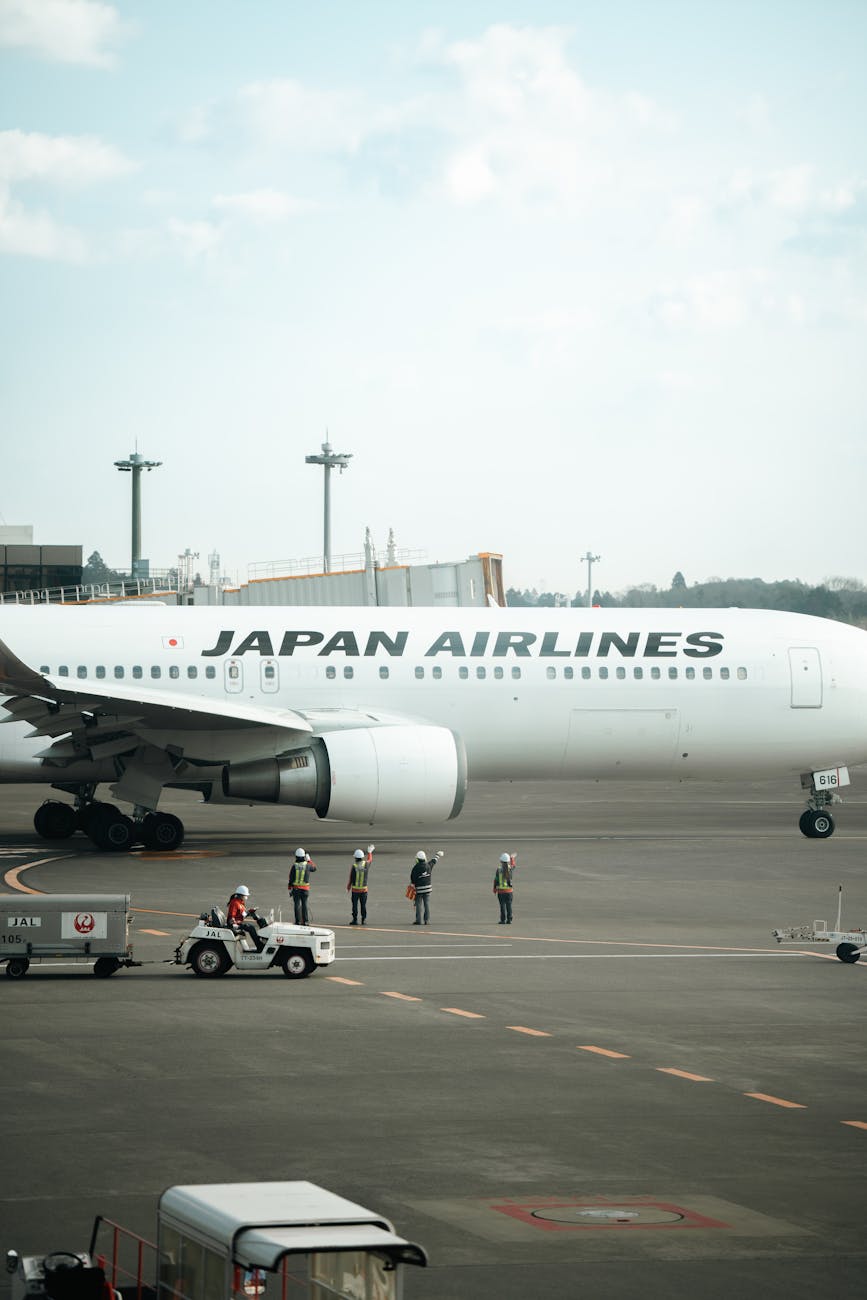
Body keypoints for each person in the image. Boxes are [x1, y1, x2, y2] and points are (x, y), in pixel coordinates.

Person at [410, 850, 444, 925]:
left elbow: (413, 878)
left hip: (419, 890)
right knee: (427, 904)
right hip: (428, 889)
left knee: (418, 904)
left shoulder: (416, 868)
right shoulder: (428, 866)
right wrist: (437, 855)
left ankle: (418, 920)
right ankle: (427, 920)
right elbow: (433, 861)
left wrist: (412, 885)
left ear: (417, 859)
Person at [226, 885, 264, 950]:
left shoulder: (240, 902)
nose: (247, 897)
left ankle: (259, 944)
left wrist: (250, 911)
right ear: (241, 895)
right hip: (234, 924)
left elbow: (242, 914)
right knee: (251, 928)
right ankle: (259, 946)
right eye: (246, 895)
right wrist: (235, 925)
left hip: (238, 922)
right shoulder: (235, 903)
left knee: (250, 927)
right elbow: (232, 917)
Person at [288, 847, 317, 925]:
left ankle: (297, 921)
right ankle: (306, 921)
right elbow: (314, 868)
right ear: (304, 856)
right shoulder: (308, 865)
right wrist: (309, 860)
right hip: (305, 890)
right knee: (304, 905)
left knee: (297, 905)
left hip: (296, 889)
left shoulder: (294, 866)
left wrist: (290, 888)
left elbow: (291, 877)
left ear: (296, 856)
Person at [347, 845, 375, 925]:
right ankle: (363, 919)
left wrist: (348, 887)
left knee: (354, 906)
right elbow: (370, 860)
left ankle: (355, 920)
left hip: (355, 891)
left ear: (355, 858)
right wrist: (369, 852)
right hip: (364, 890)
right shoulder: (366, 864)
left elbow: (351, 878)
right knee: (363, 905)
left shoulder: (354, 866)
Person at [493, 853, 516, 924]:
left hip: (501, 892)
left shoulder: (499, 869)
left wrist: (494, 888)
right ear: (508, 861)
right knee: (509, 906)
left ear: (501, 861)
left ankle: (503, 920)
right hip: (509, 891)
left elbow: (496, 880)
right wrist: (512, 858)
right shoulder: (510, 868)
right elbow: (513, 865)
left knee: (502, 906)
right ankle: (509, 919)